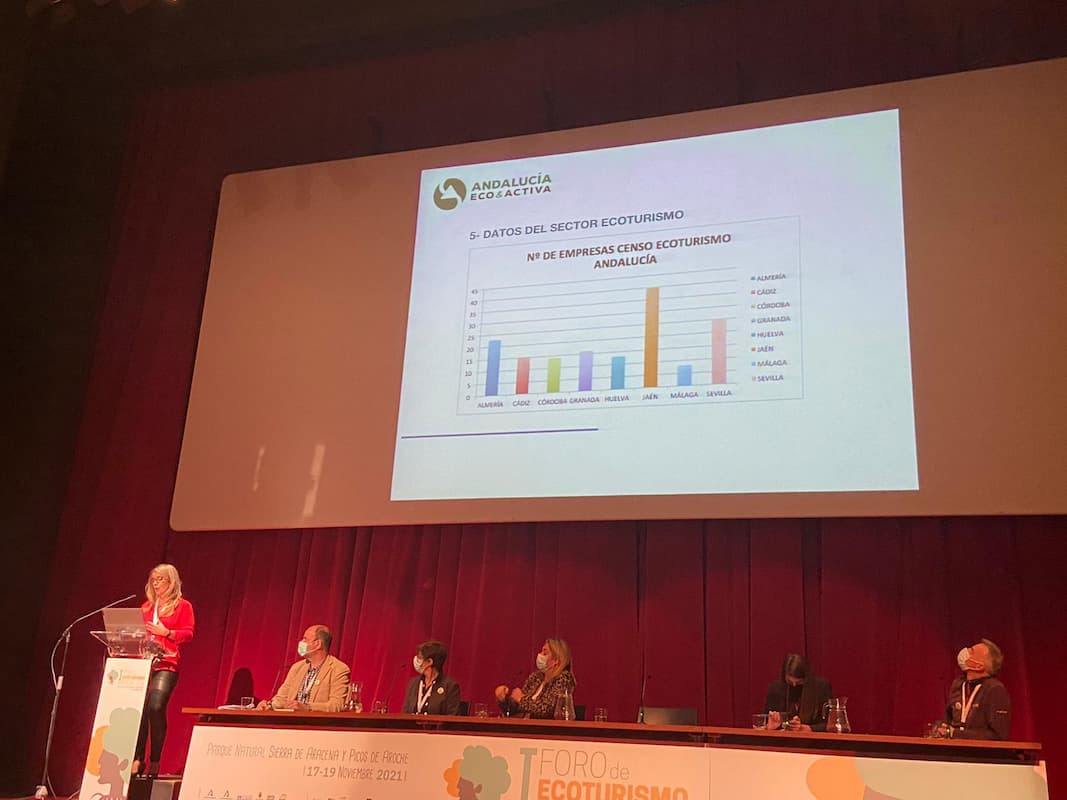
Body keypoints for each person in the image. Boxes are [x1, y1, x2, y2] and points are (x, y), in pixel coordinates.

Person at [133, 564, 195, 776]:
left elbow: (188, 633)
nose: (156, 584)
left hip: (166, 663)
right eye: (154, 580)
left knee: (155, 706)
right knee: (139, 710)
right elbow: (136, 634)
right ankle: (137, 758)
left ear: (171, 581)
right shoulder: (146, 608)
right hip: (143, 663)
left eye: (161, 579)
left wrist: (167, 632)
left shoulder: (182, 606)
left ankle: (155, 759)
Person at [258, 625, 350, 712]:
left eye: (305, 639)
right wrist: (269, 705)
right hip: (291, 720)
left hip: (317, 722)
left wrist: (307, 707)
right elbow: (282, 698)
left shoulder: (339, 669)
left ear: (317, 644)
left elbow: (337, 705)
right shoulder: (297, 667)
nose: (301, 642)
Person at [940, 639, 1011, 740]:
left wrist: (955, 734)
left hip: (978, 750)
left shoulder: (995, 689)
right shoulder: (958, 684)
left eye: (971, 651)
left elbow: (998, 736)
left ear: (979, 666)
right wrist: (940, 730)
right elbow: (947, 722)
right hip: (952, 747)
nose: (965, 651)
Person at [495, 638, 576, 719]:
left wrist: (521, 699)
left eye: (545, 653)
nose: (540, 655)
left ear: (556, 660)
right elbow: (516, 709)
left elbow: (547, 709)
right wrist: (503, 699)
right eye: (541, 651)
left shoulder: (564, 678)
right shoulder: (536, 677)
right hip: (526, 724)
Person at [763, 653, 832, 732]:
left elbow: (830, 724)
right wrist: (771, 726)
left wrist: (808, 728)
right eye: (789, 682)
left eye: (799, 682)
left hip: (811, 738)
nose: (794, 685)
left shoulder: (821, 688)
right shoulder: (775, 689)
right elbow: (765, 721)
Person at [401, 640, 462, 715]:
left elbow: (452, 716)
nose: (416, 660)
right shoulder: (413, 683)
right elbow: (405, 713)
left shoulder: (450, 686)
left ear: (429, 662)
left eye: (419, 658)